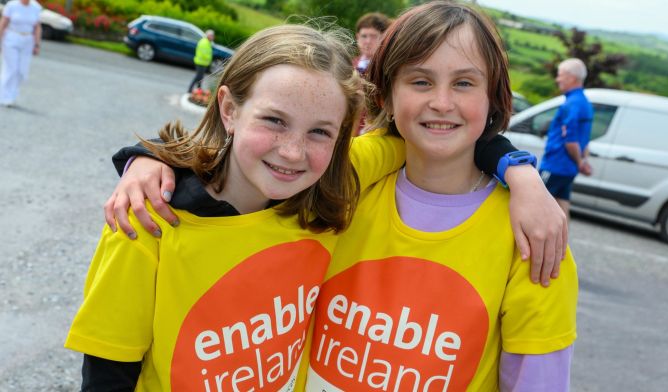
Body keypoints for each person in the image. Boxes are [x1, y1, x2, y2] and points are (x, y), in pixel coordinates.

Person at [65, 23, 409, 391]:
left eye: (320, 131)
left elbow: (409, 139)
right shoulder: (148, 219)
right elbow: (108, 374)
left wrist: (482, 149)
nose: (293, 151)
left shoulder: (329, 179)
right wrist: (146, 157)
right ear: (229, 108)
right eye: (274, 120)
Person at [302, 2, 577, 390]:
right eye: (420, 81)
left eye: (464, 83)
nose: (442, 103)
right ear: (386, 97)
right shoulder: (341, 188)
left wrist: (520, 173)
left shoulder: (535, 236)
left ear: (492, 98)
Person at [539, 57, 594, 221]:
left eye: (560, 75)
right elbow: (585, 138)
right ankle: (562, 246)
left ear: (571, 77)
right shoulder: (585, 103)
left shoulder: (571, 104)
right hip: (568, 169)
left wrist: (580, 162)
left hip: (556, 165)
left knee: (535, 204)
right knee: (562, 208)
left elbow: (571, 140)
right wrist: (583, 161)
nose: (557, 79)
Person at [0, 0, 41, 107]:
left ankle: (12, 95)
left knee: (22, 70)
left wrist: (37, 44)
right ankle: (4, 96)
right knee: (11, 68)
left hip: (27, 40)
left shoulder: (36, 7)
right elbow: (3, 23)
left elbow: (37, 27)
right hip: (11, 38)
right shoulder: (12, 5)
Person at [187, 29, 214, 93]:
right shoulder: (204, 42)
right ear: (208, 36)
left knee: (200, 77)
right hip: (201, 62)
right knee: (198, 77)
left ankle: (199, 89)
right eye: (212, 36)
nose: (213, 37)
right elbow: (204, 53)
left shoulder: (206, 42)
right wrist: (209, 59)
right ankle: (190, 90)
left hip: (202, 62)